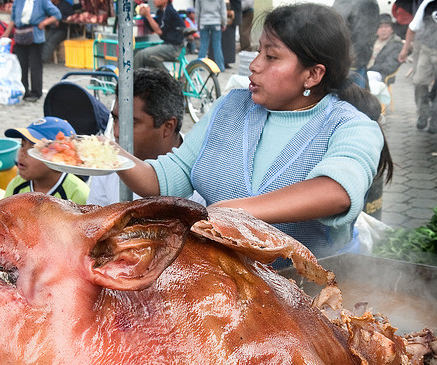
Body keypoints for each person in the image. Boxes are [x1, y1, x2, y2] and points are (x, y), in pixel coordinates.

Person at [115, 3, 390, 262]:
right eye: (259, 52)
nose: (255, 65)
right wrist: (108, 156)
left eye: (271, 56)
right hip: (223, 284)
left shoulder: (351, 125)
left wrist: (228, 213)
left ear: (312, 75)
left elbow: (336, 190)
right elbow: (166, 178)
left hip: (307, 293)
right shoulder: (230, 107)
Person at [87, 68, 205, 206]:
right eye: (115, 119)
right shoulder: (108, 164)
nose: (117, 132)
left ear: (168, 126)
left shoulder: (202, 175)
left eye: (130, 123)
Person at [4, 116, 89, 203]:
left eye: (34, 149)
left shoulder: (79, 193)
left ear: (59, 158)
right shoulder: (16, 186)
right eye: (22, 145)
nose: (22, 152)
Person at [398, 0, 437, 130]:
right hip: (426, 48)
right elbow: (412, 28)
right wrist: (405, 49)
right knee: (419, 81)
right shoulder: (428, 4)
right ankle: (423, 113)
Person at [1, 0, 61, 102]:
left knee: (35, 65)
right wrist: (6, 33)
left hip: (35, 36)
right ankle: (23, 90)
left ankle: (36, 92)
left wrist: (44, 23)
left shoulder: (42, 1)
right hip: (20, 35)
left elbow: (57, 14)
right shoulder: (18, 1)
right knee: (21, 65)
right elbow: (13, 19)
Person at [332, 0, 380, 87]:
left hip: (352, 60)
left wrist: (352, 58)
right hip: (340, 59)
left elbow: (363, 35)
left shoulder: (365, 3)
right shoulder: (341, 3)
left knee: (355, 94)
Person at [134, 0, 184, 71]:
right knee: (149, 58)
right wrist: (145, 16)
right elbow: (154, 29)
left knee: (141, 55)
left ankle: (133, 79)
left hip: (174, 47)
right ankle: (166, 78)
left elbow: (159, 31)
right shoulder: (161, 12)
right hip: (169, 45)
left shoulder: (168, 11)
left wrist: (148, 15)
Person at [367, 13, 404, 81]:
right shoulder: (370, 41)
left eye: (386, 27)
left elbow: (389, 66)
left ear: (392, 29)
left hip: (379, 75)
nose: (383, 30)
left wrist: (368, 70)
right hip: (363, 71)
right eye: (380, 27)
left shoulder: (396, 45)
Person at [196, 0, 227, 72]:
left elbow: (197, 10)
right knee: (217, 45)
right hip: (216, 22)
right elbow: (223, 10)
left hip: (203, 22)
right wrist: (224, 23)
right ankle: (220, 67)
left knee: (203, 45)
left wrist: (197, 23)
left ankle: (200, 66)